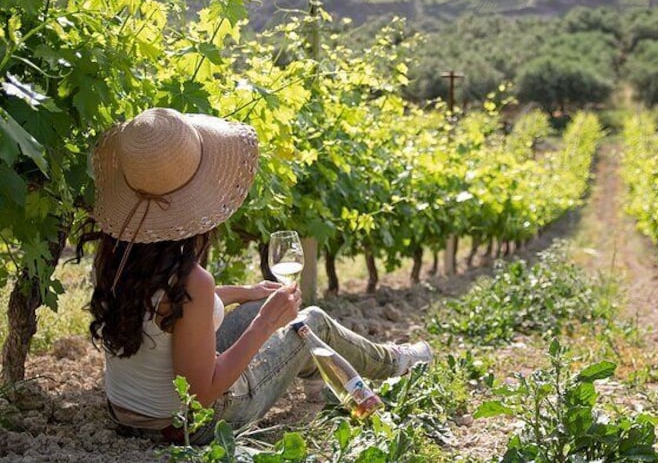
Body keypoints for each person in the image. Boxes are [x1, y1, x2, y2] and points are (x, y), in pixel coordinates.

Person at [86, 108, 432, 444]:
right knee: (310, 321)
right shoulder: (192, 282)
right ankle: (397, 362)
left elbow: (165, 314)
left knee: (265, 306)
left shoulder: (118, 259)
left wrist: (245, 292)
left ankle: (316, 374)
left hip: (127, 414)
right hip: (190, 425)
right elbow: (203, 395)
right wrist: (266, 322)